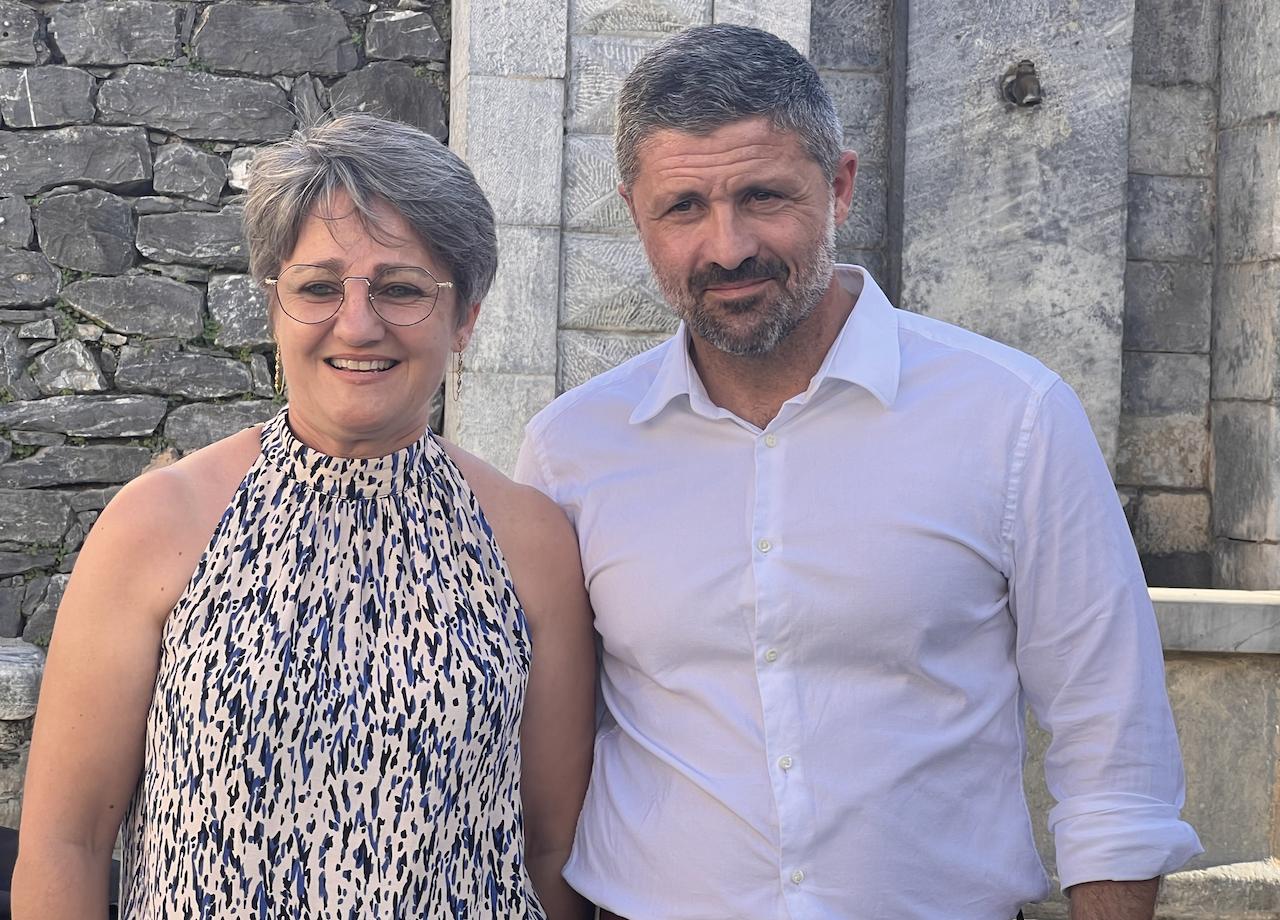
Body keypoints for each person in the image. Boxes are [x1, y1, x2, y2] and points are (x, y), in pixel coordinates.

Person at [514, 24, 1202, 920]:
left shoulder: (1013, 418)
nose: (726, 246)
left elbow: (1113, 746)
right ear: (634, 214)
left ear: (839, 185)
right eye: (681, 207)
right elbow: (546, 770)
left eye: (763, 196)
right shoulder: (572, 450)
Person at [13, 114, 595, 920]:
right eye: (319, 287)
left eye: (401, 288)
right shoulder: (158, 525)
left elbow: (553, 848)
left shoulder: (530, 542)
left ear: (464, 316)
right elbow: (66, 843)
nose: (357, 324)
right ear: (273, 307)